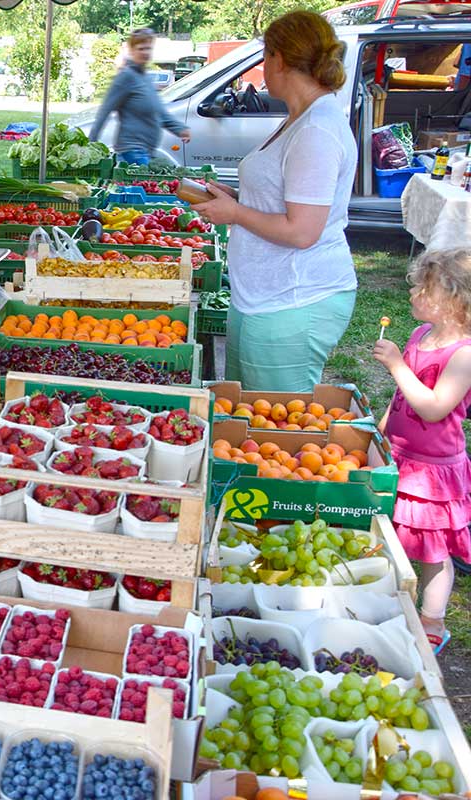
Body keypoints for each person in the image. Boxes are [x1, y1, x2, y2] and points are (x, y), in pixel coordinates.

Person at [191, 11, 356, 391]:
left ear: (279, 59)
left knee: (275, 427)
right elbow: (283, 198)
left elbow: (301, 231)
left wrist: (234, 212)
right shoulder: (301, 118)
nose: (263, 67)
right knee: (244, 411)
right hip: (264, 296)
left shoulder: (316, 130)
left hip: (293, 300)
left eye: (266, 57)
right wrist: (238, 198)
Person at [372, 248, 471, 654]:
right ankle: (385, 601)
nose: (412, 292)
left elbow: (433, 407)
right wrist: (380, 427)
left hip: (432, 470)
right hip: (401, 455)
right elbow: (403, 396)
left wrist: (398, 365)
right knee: (388, 533)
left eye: (421, 288)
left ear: (450, 299)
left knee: (433, 549)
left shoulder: (463, 355)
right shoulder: (419, 336)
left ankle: (432, 621)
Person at [89, 28, 190, 166]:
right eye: (141, 48)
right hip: (132, 151)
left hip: (146, 151)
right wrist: (90, 144)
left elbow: (159, 112)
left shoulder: (145, 77)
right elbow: (105, 110)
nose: (146, 53)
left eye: (148, 48)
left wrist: (179, 129)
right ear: (131, 50)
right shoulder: (126, 77)